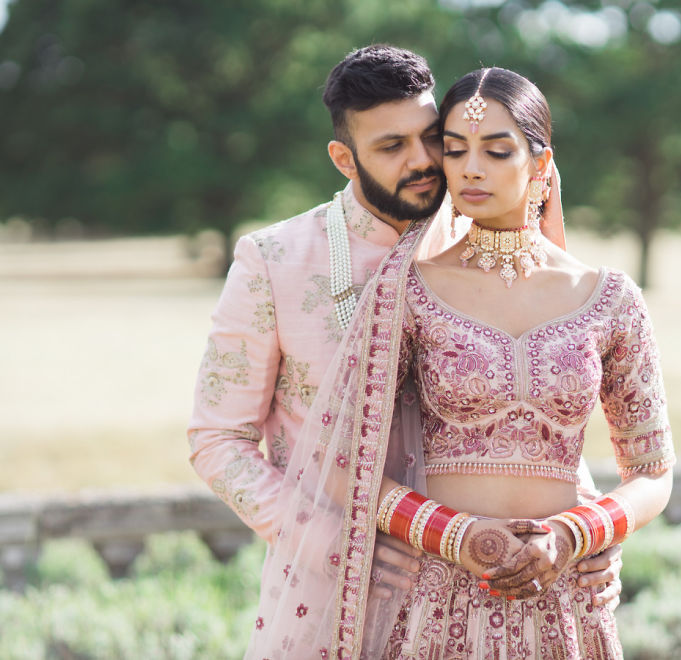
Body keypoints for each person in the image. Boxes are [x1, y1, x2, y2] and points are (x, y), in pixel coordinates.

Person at [186, 44, 621, 644]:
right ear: (344, 157)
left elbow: (541, 402)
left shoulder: (487, 234)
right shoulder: (276, 261)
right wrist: (336, 544)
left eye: (430, 137)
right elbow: (218, 440)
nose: (423, 162)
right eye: (391, 147)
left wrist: (586, 532)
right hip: (338, 594)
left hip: (488, 601)